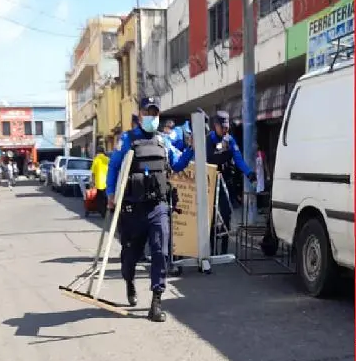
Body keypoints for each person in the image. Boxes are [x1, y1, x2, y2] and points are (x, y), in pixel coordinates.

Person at [106, 97, 194, 322]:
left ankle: (156, 301)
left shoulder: (163, 142)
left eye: (155, 113)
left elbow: (176, 164)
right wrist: (110, 195)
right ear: (140, 113)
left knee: (160, 252)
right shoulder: (127, 139)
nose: (152, 117)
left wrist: (191, 150)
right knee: (130, 256)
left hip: (158, 206)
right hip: (133, 208)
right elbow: (114, 167)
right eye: (148, 112)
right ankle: (129, 280)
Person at [206, 111, 256, 254]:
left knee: (226, 213)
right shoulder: (209, 139)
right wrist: (221, 152)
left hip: (225, 181)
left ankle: (224, 251)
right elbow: (210, 158)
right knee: (210, 216)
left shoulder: (230, 140)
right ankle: (209, 250)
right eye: (223, 127)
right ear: (216, 126)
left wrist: (249, 173)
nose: (225, 129)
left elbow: (238, 159)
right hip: (211, 180)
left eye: (227, 127)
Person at [90, 144, 110, 216]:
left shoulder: (96, 160)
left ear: (97, 152)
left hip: (99, 183)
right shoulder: (107, 159)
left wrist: (92, 182)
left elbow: (93, 173)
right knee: (106, 197)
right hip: (107, 182)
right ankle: (106, 211)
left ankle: (102, 212)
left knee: (100, 198)